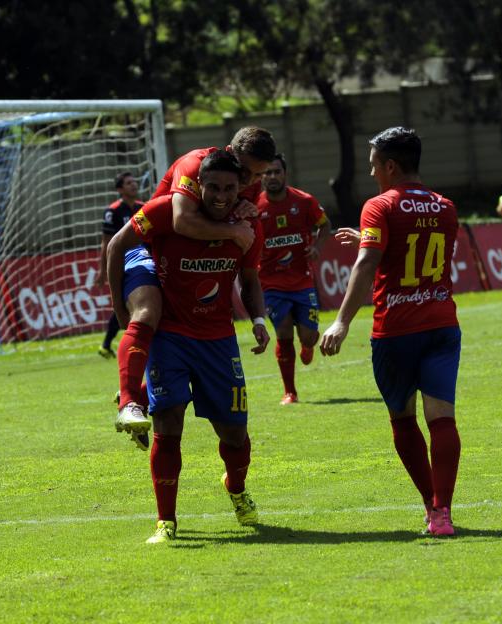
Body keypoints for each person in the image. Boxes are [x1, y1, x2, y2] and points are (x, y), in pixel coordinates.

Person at [106, 150, 271, 544]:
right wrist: (118, 309)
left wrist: (260, 320)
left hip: (218, 341)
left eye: (229, 188)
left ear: (241, 188)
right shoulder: (166, 212)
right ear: (198, 184)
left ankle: (235, 486)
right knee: (168, 425)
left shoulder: (248, 224)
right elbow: (117, 246)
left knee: (235, 436)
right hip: (172, 338)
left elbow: (249, 281)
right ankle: (166, 521)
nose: (220, 195)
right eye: (212, 186)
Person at [319, 126, 463, 537]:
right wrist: (367, 240)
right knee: (442, 418)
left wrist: (342, 321)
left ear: (391, 165)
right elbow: (409, 245)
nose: (371, 174)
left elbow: (369, 265)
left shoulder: (379, 207)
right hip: (441, 325)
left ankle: (430, 506)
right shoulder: (446, 207)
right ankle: (445, 514)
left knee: (403, 420)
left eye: (374, 166)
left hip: (396, 331)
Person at [111, 127, 277, 450]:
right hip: (148, 246)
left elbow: (242, 227)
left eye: (257, 175)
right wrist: (119, 309)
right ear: (230, 152)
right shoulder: (193, 165)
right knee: (149, 312)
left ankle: (142, 394)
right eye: (245, 170)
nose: (248, 181)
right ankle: (129, 403)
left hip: (182, 257)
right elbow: (182, 221)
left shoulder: (246, 182)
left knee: (185, 338)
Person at [256, 154, 331, 404]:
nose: (272, 177)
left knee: (309, 336)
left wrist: (318, 247)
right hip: (271, 282)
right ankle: (290, 392)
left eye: (277, 172)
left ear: (285, 174)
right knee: (284, 332)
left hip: (302, 280)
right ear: (261, 176)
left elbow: (324, 224)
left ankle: (307, 345)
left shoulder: (304, 201)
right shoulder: (254, 206)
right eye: (267, 173)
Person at [95, 172, 144, 359]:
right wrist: (102, 270)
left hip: (143, 261)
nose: (134, 185)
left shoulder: (143, 208)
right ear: (120, 189)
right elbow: (106, 242)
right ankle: (111, 345)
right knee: (125, 304)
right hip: (122, 264)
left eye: (134, 181)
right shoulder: (112, 211)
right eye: (129, 183)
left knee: (129, 304)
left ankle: (107, 345)